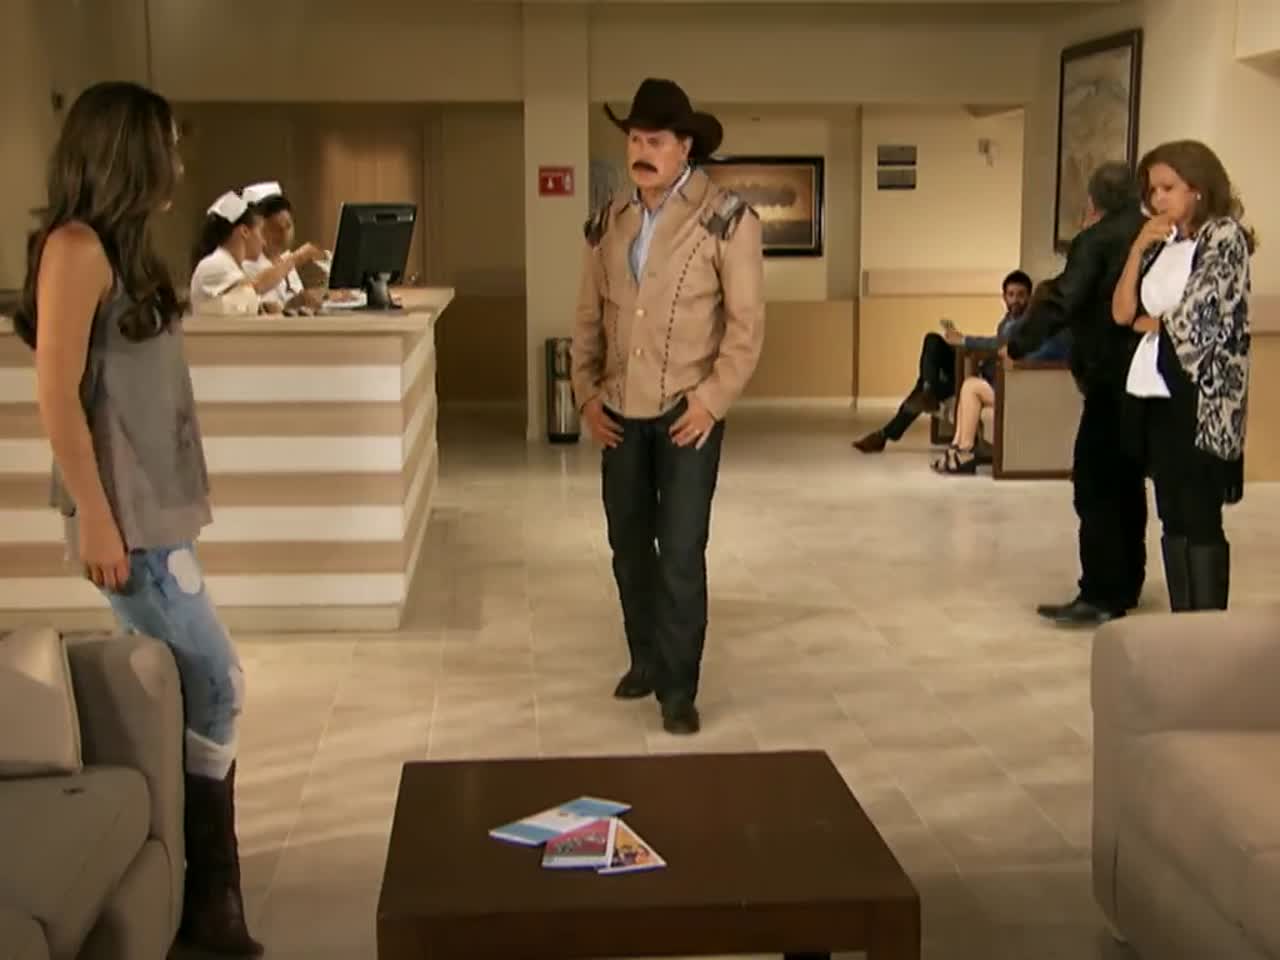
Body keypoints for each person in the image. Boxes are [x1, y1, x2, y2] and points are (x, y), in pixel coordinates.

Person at [12, 82, 263, 955]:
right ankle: (213, 895)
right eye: (168, 146)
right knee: (217, 684)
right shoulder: (75, 249)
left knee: (181, 689)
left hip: (158, 515)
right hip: (130, 522)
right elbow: (56, 396)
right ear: (130, 152)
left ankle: (201, 890)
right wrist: (95, 518)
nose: (179, 165)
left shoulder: (117, 250)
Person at [571, 77, 765, 736]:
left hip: (689, 415)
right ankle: (646, 659)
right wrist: (585, 395)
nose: (641, 151)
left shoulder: (727, 220)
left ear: (685, 147)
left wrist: (712, 402)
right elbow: (587, 319)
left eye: (655, 140)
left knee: (680, 553)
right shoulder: (609, 221)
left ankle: (678, 691)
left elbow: (746, 329)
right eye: (634, 139)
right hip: (619, 413)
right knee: (629, 548)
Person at [1112, 141, 1253, 611]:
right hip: (1152, 389)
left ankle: (1207, 628)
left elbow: (1201, 316)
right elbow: (1123, 313)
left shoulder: (1224, 236)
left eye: (1168, 187)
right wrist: (1138, 248)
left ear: (1198, 187)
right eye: (1152, 190)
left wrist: (1153, 323)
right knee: (1170, 512)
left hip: (1198, 394)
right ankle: (1182, 623)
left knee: (1200, 513)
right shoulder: (1161, 243)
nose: (1158, 199)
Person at [1008, 162, 1147, 627]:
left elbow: (1065, 299)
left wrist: (1019, 344)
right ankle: (1127, 583)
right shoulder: (1150, 234)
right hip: (1143, 378)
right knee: (1128, 485)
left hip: (1106, 378)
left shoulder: (1097, 240)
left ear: (1093, 201)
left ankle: (1101, 592)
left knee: (1095, 486)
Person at [854, 270, 1032, 453]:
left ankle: (890, 429)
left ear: (1029, 297)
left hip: (984, 377)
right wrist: (963, 342)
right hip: (978, 367)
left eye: (1021, 295)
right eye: (1011, 295)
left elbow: (1001, 344)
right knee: (933, 340)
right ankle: (927, 390)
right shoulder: (1006, 320)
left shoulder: (1029, 323)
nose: (1015, 300)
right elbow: (996, 346)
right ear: (1004, 297)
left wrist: (965, 340)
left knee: (926, 387)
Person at [933, 279, 1070, 475]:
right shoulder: (1036, 328)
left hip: (1030, 389)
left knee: (972, 387)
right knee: (970, 385)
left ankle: (964, 451)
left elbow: (1033, 356)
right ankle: (958, 448)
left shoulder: (1056, 334)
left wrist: (1012, 356)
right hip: (1019, 385)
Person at [190, 190, 322, 315]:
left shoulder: (230, 266)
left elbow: (238, 303)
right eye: (260, 231)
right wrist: (295, 259)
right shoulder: (216, 263)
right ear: (244, 232)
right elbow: (255, 287)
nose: (263, 241)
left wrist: (263, 308)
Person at [240, 180, 329, 313]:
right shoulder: (246, 265)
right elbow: (264, 309)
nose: (284, 234)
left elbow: (297, 300)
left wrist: (324, 295)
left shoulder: (285, 257)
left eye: (288, 226)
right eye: (276, 228)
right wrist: (296, 302)